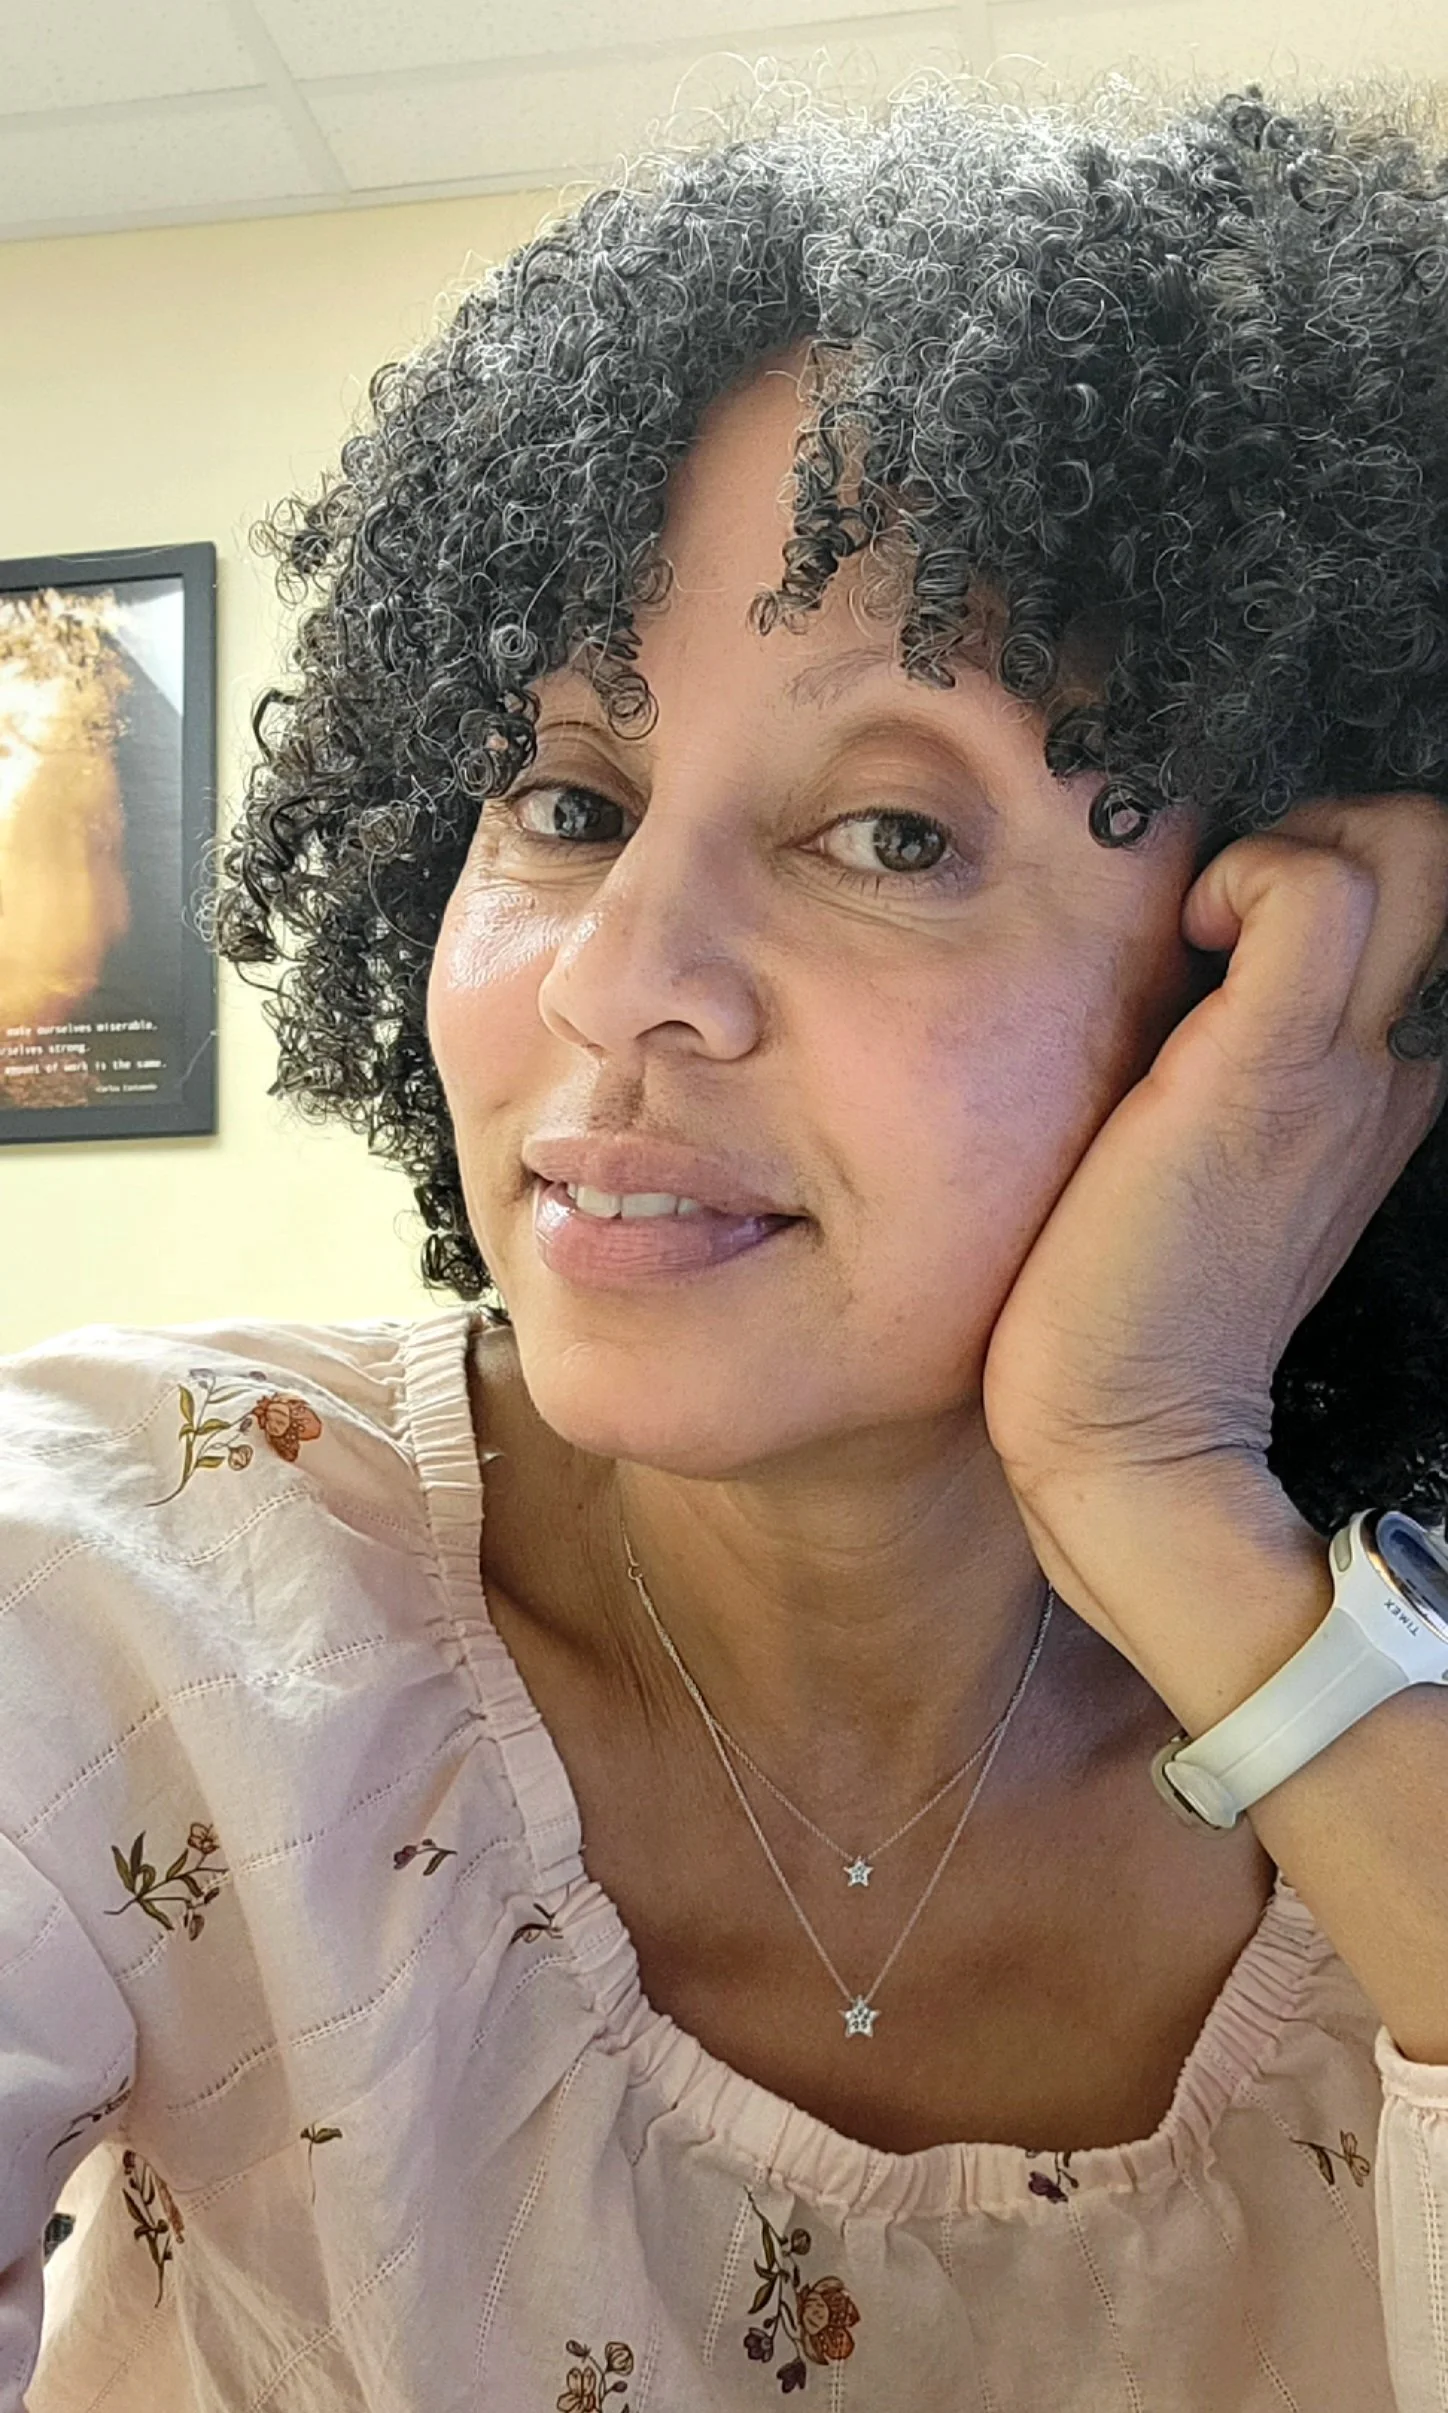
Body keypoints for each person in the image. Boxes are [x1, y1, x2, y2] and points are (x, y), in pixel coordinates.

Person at [6, 76, 1448, 2412]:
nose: (617, 972)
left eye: (892, 834)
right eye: (569, 800)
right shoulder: (129, 1594)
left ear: (1282, 985)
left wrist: (1159, 1489)